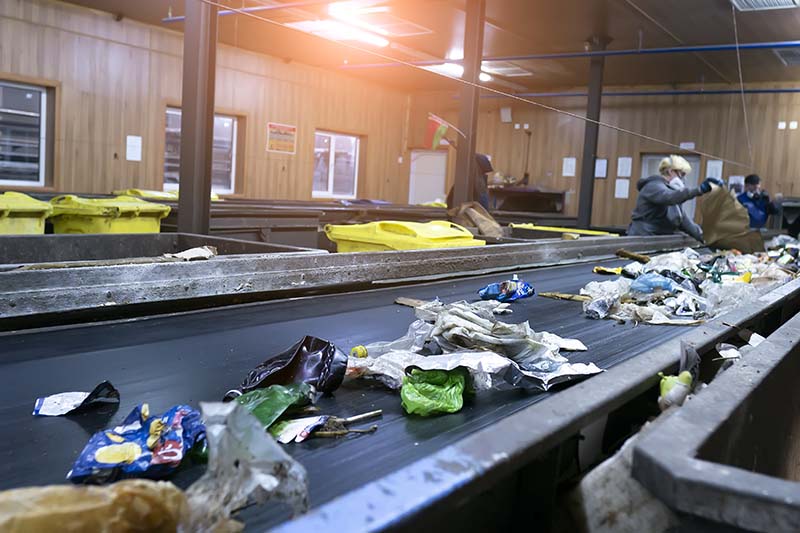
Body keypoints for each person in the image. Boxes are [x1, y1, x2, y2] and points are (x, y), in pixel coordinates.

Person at [628, 155, 722, 242]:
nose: (684, 179)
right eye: (682, 174)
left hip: (656, 240)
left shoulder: (672, 193)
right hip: (642, 239)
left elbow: (683, 221)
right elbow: (669, 197)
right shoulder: (653, 186)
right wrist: (699, 190)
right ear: (670, 171)